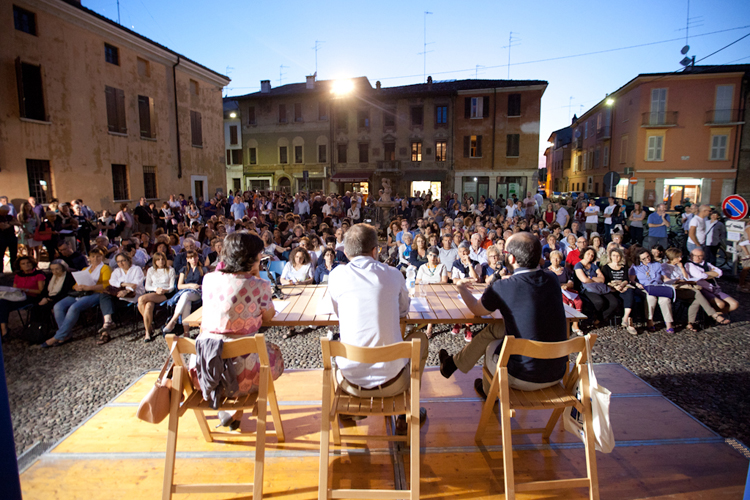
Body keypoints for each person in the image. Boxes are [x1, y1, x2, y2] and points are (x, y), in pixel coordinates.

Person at [438, 232, 570, 399]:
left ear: (512, 259)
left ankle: (488, 392)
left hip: (522, 375)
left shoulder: (504, 286)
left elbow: (477, 310)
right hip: (557, 372)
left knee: (491, 345)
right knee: (496, 328)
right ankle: (452, 364)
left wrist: (461, 288)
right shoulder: (551, 279)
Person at [327, 224, 428, 432]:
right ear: (376, 250)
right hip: (393, 382)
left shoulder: (337, 276)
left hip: (349, 382)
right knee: (421, 339)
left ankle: (351, 407)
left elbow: (337, 311)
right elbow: (403, 310)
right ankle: (405, 410)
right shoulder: (392, 274)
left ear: (345, 252)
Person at [197, 231, 284, 430]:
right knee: (273, 355)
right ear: (252, 257)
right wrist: (255, 277)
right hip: (242, 376)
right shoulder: (259, 285)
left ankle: (234, 412)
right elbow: (269, 316)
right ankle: (235, 409)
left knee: (241, 350)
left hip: (206, 370)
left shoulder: (209, 279)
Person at [43, 248, 112, 347]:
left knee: (74, 307)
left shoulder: (105, 268)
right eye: (93, 256)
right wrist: (77, 287)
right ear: (89, 258)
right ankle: (66, 334)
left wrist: (89, 287)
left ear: (102, 257)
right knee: (58, 306)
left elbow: (107, 285)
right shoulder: (85, 269)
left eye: (98, 256)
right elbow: (75, 284)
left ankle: (59, 336)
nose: (95, 258)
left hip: (97, 293)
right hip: (82, 292)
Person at [661, 247, 728, 331]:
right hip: (675, 289)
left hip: (685, 288)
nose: (680, 259)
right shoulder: (664, 266)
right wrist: (678, 280)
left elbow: (686, 278)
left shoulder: (679, 265)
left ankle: (690, 323)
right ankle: (714, 315)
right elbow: (666, 280)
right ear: (672, 257)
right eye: (678, 257)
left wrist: (682, 268)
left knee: (697, 300)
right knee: (697, 293)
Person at [97, 252, 145, 344]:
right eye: (118, 262)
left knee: (107, 303)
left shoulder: (136, 269)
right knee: (104, 296)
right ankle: (108, 322)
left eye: (123, 260)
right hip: (119, 295)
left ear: (128, 260)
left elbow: (135, 284)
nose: (121, 263)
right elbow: (112, 282)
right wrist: (124, 284)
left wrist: (126, 290)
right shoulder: (117, 271)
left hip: (132, 296)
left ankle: (105, 332)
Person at [629, 248, 675, 333]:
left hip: (658, 286)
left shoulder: (657, 265)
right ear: (639, 259)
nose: (647, 259)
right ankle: (650, 321)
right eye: (644, 258)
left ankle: (669, 324)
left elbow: (664, 278)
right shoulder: (635, 267)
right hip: (646, 287)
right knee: (650, 298)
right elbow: (631, 280)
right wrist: (637, 284)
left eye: (648, 256)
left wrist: (672, 281)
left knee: (665, 300)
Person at [684, 248, 739, 316]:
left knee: (734, 304)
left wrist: (705, 274)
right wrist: (712, 273)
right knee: (720, 304)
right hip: (703, 289)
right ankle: (714, 315)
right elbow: (701, 275)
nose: (697, 258)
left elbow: (720, 272)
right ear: (690, 256)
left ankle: (716, 314)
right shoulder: (689, 264)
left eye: (700, 256)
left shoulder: (706, 263)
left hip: (714, 288)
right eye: (695, 255)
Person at [0, 256, 46, 336]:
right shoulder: (18, 276)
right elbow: (14, 289)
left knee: (3, 305)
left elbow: (40, 291)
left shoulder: (39, 275)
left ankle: (4, 331)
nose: (26, 265)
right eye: (23, 264)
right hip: (19, 297)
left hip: (32, 297)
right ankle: (4, 329)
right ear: (20, 266)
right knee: (2, 303)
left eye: (28, 263)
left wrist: (26, 290)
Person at [162, 250, 205, 337]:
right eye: (191, 258)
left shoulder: (203, 269)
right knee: (186, 302)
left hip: (198, 293)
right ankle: (186, 333)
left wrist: (197, 286)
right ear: (187, 259)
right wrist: (190, 285)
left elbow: (206, 284)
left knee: (185, 296)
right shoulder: (184, 270)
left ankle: (173, 320)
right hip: (186, 292)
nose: (194, 259)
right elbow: (179, 286)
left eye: (195, 257)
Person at [574, 247, 620, 326]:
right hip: (586, 289)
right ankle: (591, 319)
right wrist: (596, 278)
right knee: (599, 302)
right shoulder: (578, 266)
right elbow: (584, 280)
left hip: (599, 287)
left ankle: (599, 319)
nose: (590, 256)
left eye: (592, 255)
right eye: (588, 254)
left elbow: (602, 279)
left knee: (614, 303)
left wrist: (591, 278)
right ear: (584, 254)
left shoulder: (593, 266)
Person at [601, 247, 641, 335]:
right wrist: (616, 286)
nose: (616, 257)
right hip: (612, 289)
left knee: (630, 293)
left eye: (618, 256)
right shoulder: (606, 267)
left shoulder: (624, 267)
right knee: (629, 298)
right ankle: (629, 322)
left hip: (623, 287)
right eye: (614, 255)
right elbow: (605, 281)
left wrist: (622, 285)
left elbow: (626, 279)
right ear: (610, 257)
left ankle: (625, 318)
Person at [138, 252, 177, 342]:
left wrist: (164, 290)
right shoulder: (151, 270)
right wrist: (156, 289)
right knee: (148, 306)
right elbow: (147, 286)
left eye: (163, 259)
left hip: (165, 293)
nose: (161, 261)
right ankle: (148, 331)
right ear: (155, 261)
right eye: (158, 260)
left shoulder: (170, 270)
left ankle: (150, 325)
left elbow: (172, 286)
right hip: (153, 292)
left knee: (141, 299)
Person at [547, 250, 583, 335]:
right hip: (554, 293)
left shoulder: (566, 270)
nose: (556, 260)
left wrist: (566, 285)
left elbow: (571, 282)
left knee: (579, 302)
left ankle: (575, 325)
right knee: (564, 303)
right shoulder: (546, 271)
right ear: (550, 259)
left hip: (567, 291)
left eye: (558, 258)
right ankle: (564, 326)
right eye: (553, 258)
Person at [0, 205, 20, 272]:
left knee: (14, 254)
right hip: (2, 238)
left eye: (6, 212)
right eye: (4, 212)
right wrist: (11, 223)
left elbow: (18, 223)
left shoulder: (10, 217)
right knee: (1, 254)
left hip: (12, 237)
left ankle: (14, 269)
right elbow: (3, 227)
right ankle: (0, 270)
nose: (5, 214)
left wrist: (8, 223)